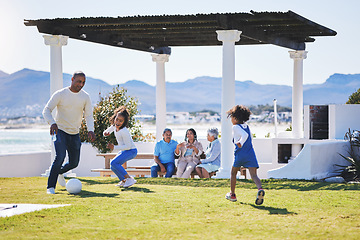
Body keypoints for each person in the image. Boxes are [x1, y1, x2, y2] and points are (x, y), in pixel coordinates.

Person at [43, 71, 96, 194]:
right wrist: (52, 123)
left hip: (74, 133)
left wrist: (91, 130)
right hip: (60, 131)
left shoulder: (85, 97)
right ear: (72, 79)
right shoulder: (61, 94)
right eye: (79, 81)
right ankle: (50, 187)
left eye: (83, 82)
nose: (81, 84)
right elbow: (47, 110)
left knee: (74, 163)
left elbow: (88, 115)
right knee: (60, 157)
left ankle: (60, 172)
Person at [225, 105, 265, 205]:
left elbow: (245, 136)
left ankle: (232, 194)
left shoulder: (235, 127)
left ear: (235, 118)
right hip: (250, 153)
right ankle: (260, 189)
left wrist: (240, 143)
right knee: (254, 175)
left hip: (240, 154)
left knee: (233, 173)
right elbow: (250, 137)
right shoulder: (247, 127)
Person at [103, 106, 138, 188]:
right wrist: (105, 133)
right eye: (117, 119)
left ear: (124, 122)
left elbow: (128, 146)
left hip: (131, 151)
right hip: (124, 151)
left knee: (114, 163)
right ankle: (124, 181)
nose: (118, 122)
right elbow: (106, 131)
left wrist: (114, 147)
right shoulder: (114, 126)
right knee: (113, 166)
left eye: (120, 121)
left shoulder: (124, 131)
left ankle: (129, 179)